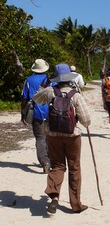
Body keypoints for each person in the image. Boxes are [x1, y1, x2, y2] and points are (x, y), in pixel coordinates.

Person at [32, 63, 91, 214]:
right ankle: (76, 204)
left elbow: (36, 99)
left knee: (57, 166)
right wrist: (85, 123)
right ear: (70, 78)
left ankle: (54, 197)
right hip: (72, 136)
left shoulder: (51, 91)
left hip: (52, 135)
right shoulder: (75, 95)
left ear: (56, 78)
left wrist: (45, 86)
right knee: (74, 168)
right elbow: (86, 119)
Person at [21, 59, 51, 173]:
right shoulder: (51, 80)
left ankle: (45, 162)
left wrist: (23, 113)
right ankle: (50, 159)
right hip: (50, 112)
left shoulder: (29, 80)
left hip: (36, 112)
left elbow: (24, 98)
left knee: (40, 137)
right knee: (49, 136)